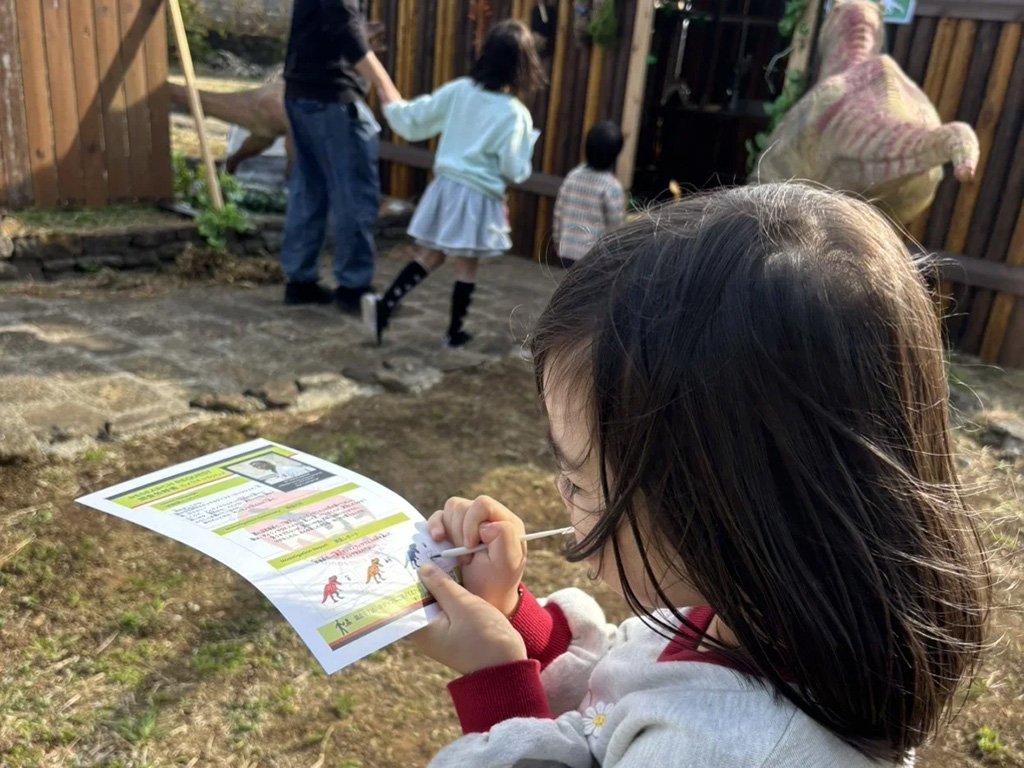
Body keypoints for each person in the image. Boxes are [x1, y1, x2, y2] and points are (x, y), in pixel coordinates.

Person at [408, 184, 991, 766]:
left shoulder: (737, 750)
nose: (562, 495)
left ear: (722, 507)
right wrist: (517, 619)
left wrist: (498, 686)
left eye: (581, 482)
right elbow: (615, 701)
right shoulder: (753, 614)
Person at [361, 19, 544, 347]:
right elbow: (514, 169)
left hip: (444, 189)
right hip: (476, 197)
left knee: (431, 254)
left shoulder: (461, 90)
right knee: (466, 263)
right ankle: (453, 333)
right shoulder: (515, 115)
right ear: (523, 66)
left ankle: (386, 305)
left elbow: (416, 120)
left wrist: (391, 101)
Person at [280, 0, 401, 313]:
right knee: (355, 193)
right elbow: (346, 31)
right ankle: (353, 287)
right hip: (333, 99)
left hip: (300, 94)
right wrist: (386, 86)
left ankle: (300, 281)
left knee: (309, 188)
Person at [552, 120, 625, 266]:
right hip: (594, 255)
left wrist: (557, 238)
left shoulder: (572, 176)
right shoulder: (611, 186)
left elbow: (559, 212)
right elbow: (616, 225)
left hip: (567, 249)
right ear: (615, 155)